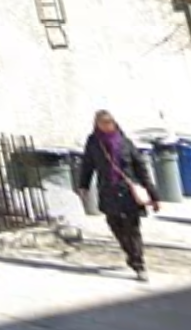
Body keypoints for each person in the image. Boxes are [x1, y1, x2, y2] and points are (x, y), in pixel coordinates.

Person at [76, 109, 159, 281]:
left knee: (132, 228)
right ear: (97, 125)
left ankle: (138, 264)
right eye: (103, 123)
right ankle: (130, 253)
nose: (107, 126)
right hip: (108, 190)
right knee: (115, 225)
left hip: (128, 190)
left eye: (109, 123)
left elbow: (140, 167)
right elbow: (87, 165)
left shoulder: (124, 142)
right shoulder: (94, 143)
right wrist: (83, 185)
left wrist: (153, 194)